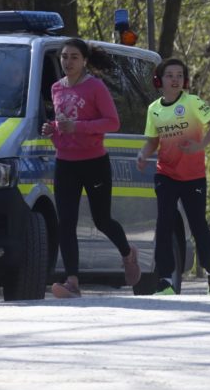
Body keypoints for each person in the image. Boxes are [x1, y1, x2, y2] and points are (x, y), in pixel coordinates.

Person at [43, 38, 141, 298]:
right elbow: (62, 126)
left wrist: (79, 127)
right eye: (64, 57)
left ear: (84, 60)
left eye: (74, 57)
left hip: (94, 161)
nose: (68, 62)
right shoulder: (56, 88)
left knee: (102, 219)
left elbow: (112, 122)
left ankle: (127, 252)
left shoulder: (95, 87)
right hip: (65, 162)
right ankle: (72, 282)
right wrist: (51, 130)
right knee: (66, 222)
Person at [136, 58, 210, 295]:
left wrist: (201, 145)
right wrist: (143, 155)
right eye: (169, 75)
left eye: (179, 75)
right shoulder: (153, 108)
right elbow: (153, 140)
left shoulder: (193, 102)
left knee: (198, 225)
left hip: (194, 176)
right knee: (164, 223)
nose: (174, 80)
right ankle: (165, 281)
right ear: (160, 80)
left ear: (184, 80)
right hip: (165, 174)